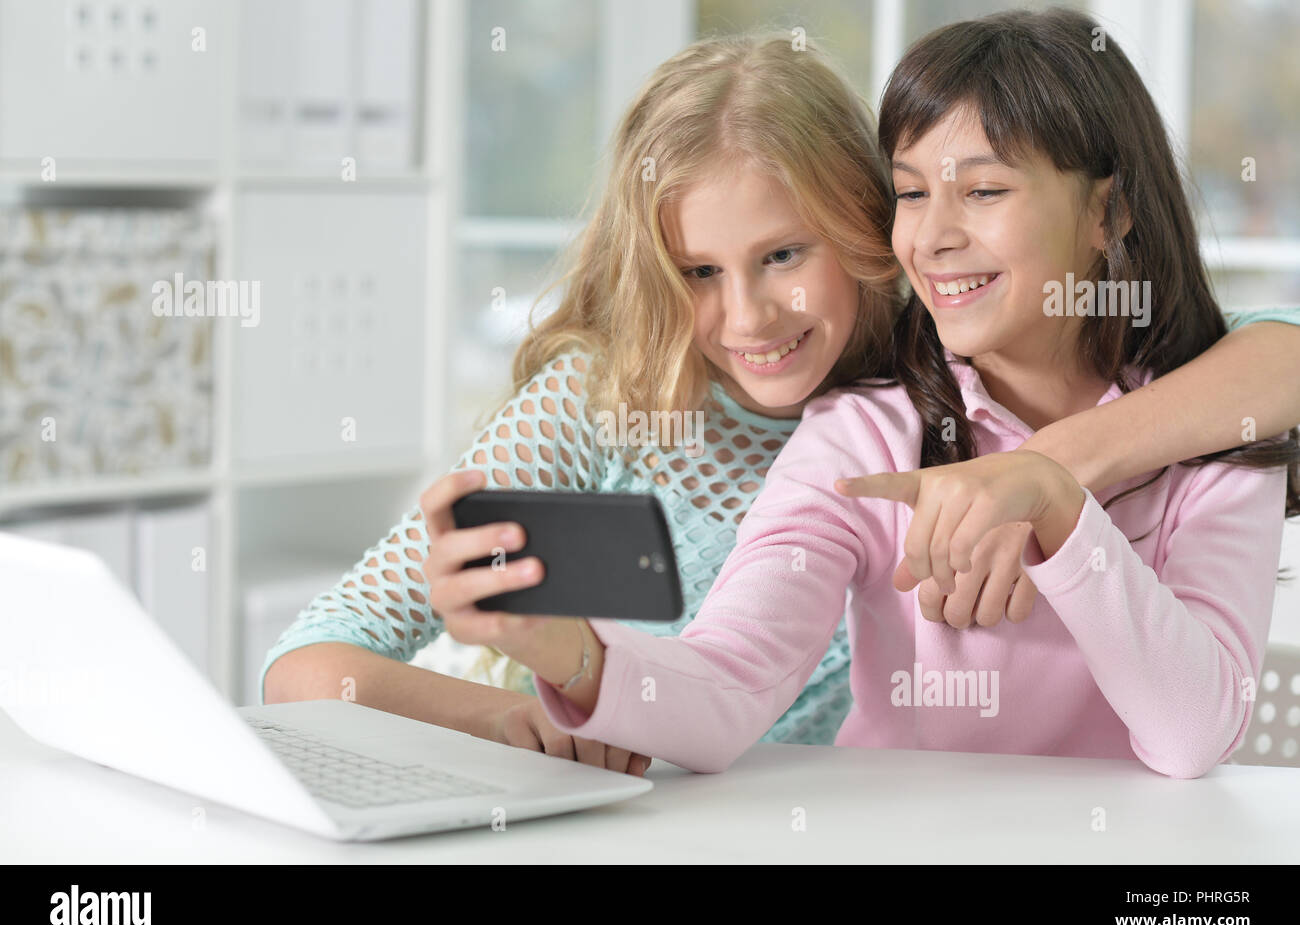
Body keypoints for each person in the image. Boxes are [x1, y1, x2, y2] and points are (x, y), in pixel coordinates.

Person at [267, 25, 1300, 777]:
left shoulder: (926, 367)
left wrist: (1051, 476)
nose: (748, 314)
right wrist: (543, 673)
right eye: (698, 272)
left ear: (858, 234)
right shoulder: (636, 404)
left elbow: (1271, 360)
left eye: (783, 255)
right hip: (588, 791)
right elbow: (722, 682)